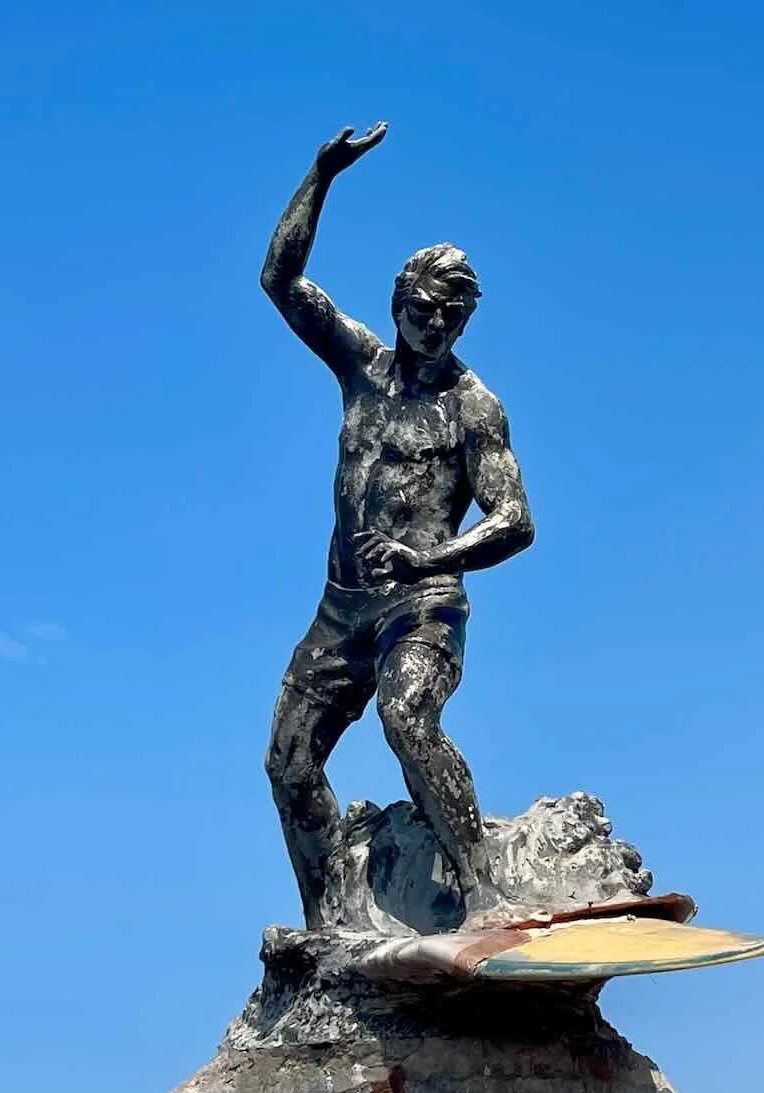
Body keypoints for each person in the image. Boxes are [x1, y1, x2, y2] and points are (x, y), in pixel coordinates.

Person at [259, 122, 537, 930]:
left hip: (423, 606)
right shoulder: (360, 365)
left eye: (451, 316)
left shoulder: (471, 406)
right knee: (288, 760)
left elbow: (515, 518)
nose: (433, 325)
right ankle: (329, 927)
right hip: (342, 607)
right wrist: (321, 173)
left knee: (406, 715)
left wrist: (429, 558)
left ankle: (487, 897)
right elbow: (280, 278)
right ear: (398, 300)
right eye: (422, 308)